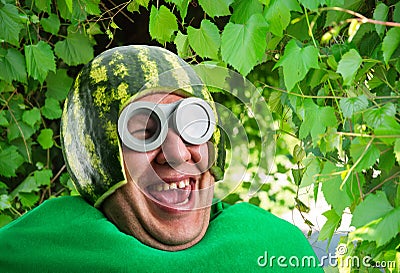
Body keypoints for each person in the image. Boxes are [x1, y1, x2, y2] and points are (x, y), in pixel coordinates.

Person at [0, 45, 323, 272]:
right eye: (143, 131)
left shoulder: (278, 252)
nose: (179, 154)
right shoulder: (27, 255)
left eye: (193, 125)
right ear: (96, 157)